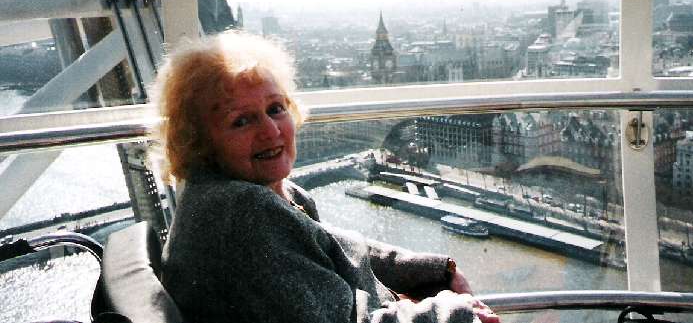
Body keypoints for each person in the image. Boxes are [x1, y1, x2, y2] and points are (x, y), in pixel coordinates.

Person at [153, 31, 499, 323]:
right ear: (200, 141)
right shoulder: (243, 214)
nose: (270, 130)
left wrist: (436, 270)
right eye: (241, 121)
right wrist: (455, 311)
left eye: (275, 108)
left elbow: (340, 247)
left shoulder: (263, 194)